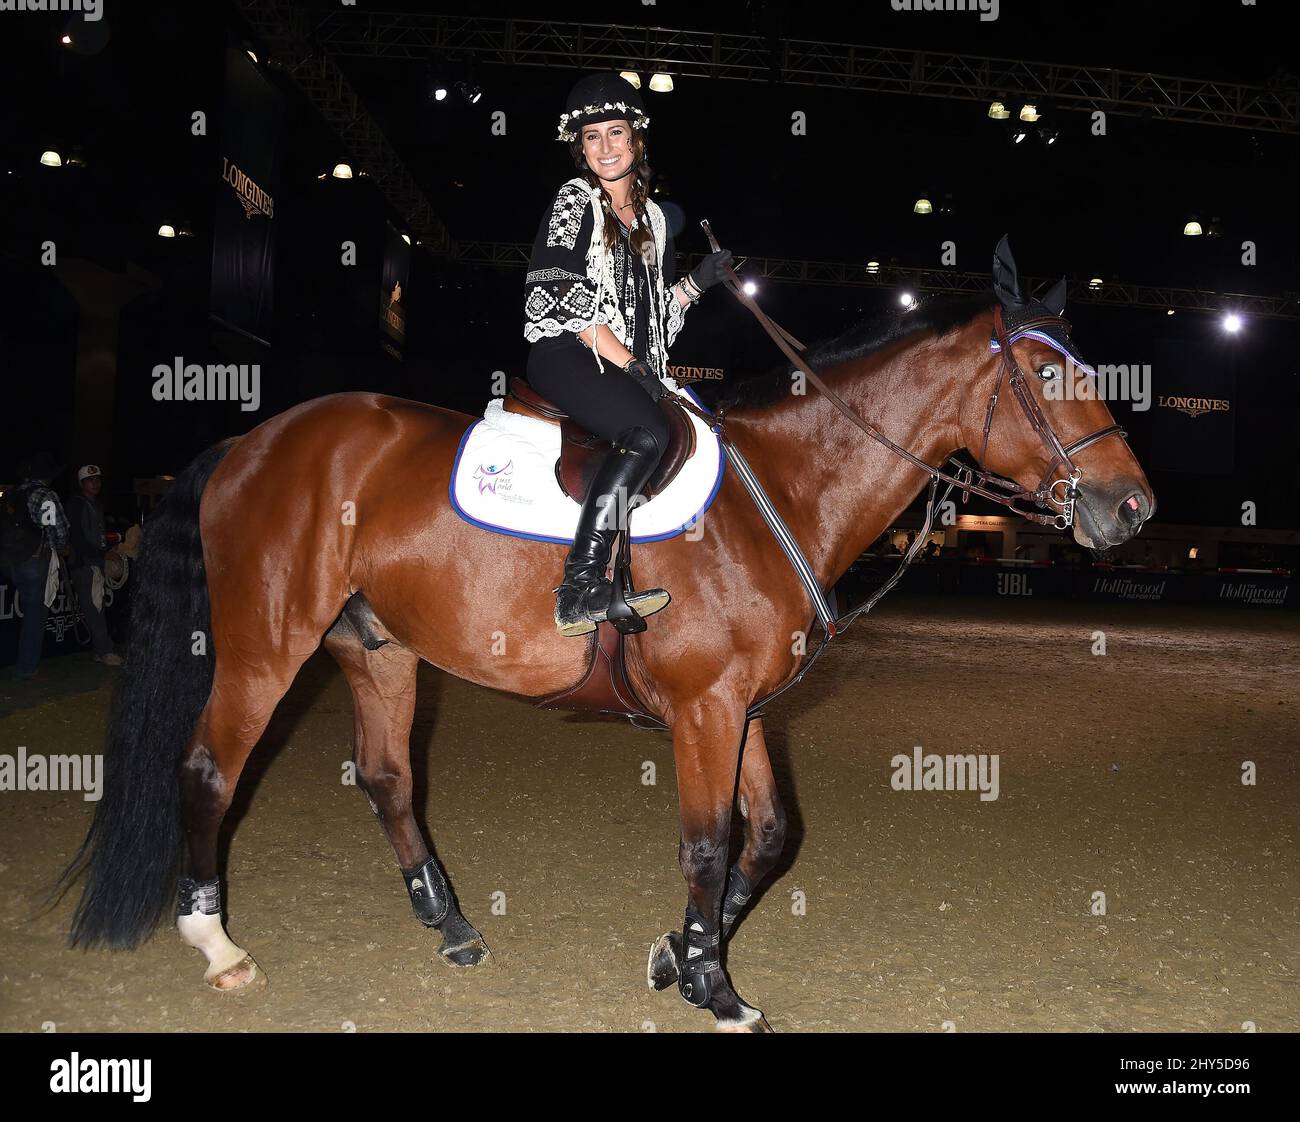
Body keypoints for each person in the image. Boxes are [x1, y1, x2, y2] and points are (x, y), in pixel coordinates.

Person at [523, 71, 733, 636]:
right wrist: (634, 367)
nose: (606, 147)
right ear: (580, 146)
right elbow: (562, 298)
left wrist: (698, 283)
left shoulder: (654, 222)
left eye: (616, 133)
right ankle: (579, 585)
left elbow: (653, 317)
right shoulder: (574, 201)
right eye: (592, 136)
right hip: (567, 350)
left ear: (637, 140)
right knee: (646, 432)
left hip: (624, 361)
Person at [3, 452, 70, 681]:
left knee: (26, 613)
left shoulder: (13, 493)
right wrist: (61, 546)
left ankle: (23, 662)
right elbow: (59, 530)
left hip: (11, 561)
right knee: (35, 617)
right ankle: (27, 667)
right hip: (34, 560)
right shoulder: (45, 495)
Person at [65, 464, 122, 666]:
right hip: (85, 564)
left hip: (94, 563)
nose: (95, 483)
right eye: (90, 480)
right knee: (94, 609)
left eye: (97, 479)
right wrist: (102, 553)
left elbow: (98, 535)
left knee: (97, 607)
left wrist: (109, 548)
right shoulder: (76, 504)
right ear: (81, 483)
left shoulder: (95, 504)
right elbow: (77, 538)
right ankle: (105, 651)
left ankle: (101, 650)